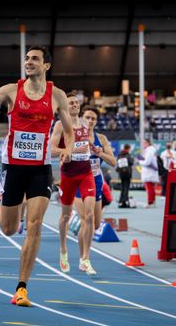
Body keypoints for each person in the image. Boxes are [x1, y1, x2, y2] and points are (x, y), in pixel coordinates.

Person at [0, 45, 73, 307]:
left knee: (34, 225)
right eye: (27, 58)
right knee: (9, 229)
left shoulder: (57, 95)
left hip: (40, 169)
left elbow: (69, 130)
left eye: (34, 59)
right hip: (13, 167)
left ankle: (22, 288)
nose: (29, 62)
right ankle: (0, 202)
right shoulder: (11, 90)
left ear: (46, 65)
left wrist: (68, 149)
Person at [50, 95, 98, 276]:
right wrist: (67, 151)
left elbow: (88, 144)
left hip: (86, 173)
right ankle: (63, 250)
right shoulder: (60, 125)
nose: (75, 105)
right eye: (71, 103)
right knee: (65, 217)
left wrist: (94, 149)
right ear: (64, 106)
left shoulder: (86, 125)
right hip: (68, 175)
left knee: (90, 215)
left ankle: (85, 259)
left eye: (77, 102)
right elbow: (52, 150)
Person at [73, 106, 116, 272]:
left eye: (93, 118)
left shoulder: (102, 139)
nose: (90, 121)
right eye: (87, 117)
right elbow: (63, 155)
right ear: (82, 118)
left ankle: (84, 252)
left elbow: (113, 162)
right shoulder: (74, 134)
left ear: (96, 122)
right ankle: (85, 259)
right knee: (87, 219)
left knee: (95, 223)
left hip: (96, 181)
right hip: (79, 180)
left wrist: (100, 153)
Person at [138, 139, 160, 208]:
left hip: (149, 173)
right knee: (151, 188)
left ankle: (150, 202)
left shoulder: (149, 151)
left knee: (149, 188)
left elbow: (147, 162)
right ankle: (152, 201)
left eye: (144, 143)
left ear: (148, 143)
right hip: (150, 172)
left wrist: (140, 162)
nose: (143, 144)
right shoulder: (149, 150)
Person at [116, 144, 134, 208]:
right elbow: (131, 162)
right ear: (128, 148)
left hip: (121, 173)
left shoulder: (119, 154)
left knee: (122, 187)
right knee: (126, 187)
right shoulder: (128, 155)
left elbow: (117, 163)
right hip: (127, 173)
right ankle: (125, 201)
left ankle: (121, 201)